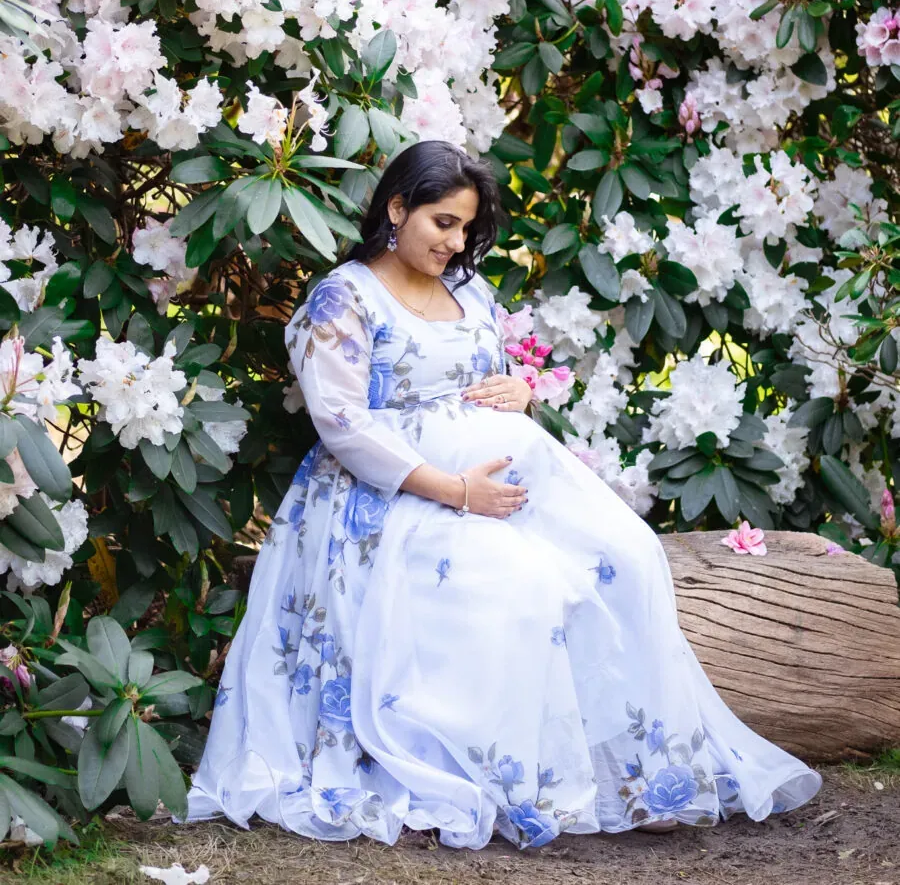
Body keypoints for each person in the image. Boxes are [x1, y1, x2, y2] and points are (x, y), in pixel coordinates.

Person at [185, 139, 821, 850]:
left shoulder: (470, 290)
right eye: (442, 223)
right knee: (526, 588)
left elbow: (491, 378)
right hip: (390, 498)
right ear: (397, 209)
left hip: (496, 482)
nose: (455, 243)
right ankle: (512, 781)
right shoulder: (343, 300)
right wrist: (454, 491)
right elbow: (343, 424)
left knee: (632, 555)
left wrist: (520, 390)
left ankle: (644, 774)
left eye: (465, 228)